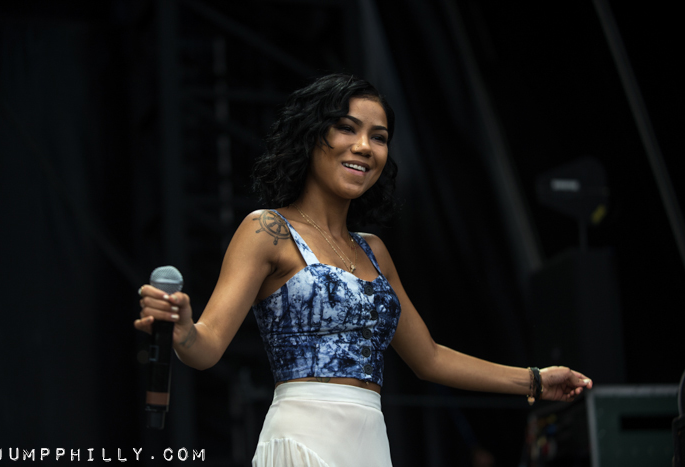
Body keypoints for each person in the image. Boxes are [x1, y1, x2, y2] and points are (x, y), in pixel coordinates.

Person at [135, 74, 592, 466]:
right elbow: (207, 347)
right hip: (303, 436)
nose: (363, 147)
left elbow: (430, 358)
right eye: (346, 128)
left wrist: (534, 380)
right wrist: (183, 330)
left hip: (370, 442)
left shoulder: (374, 251)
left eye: (379, 136)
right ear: (312, 136)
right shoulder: (268, 230)